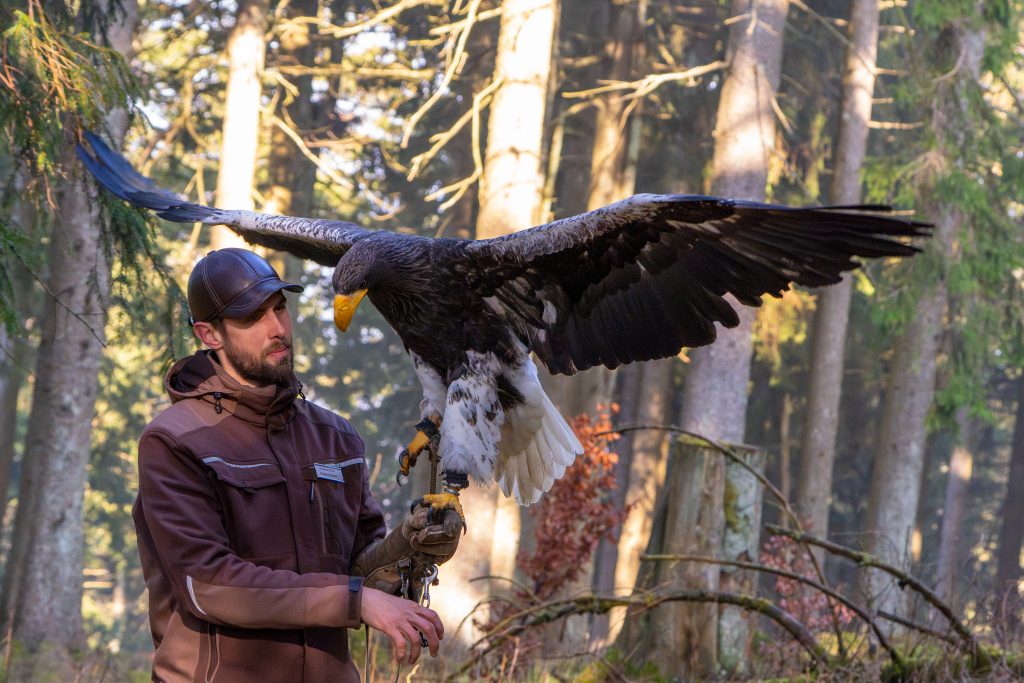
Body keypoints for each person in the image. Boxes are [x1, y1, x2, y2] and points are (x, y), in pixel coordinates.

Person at [133, 248, 460, 682]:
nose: (277, 328)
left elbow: (361, 568)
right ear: (209, 334)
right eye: (252, 317)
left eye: (280, 309)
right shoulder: (175, 441)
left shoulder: (335, 437)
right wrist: (354, 601)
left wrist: (410, 550)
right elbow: (209, 585)